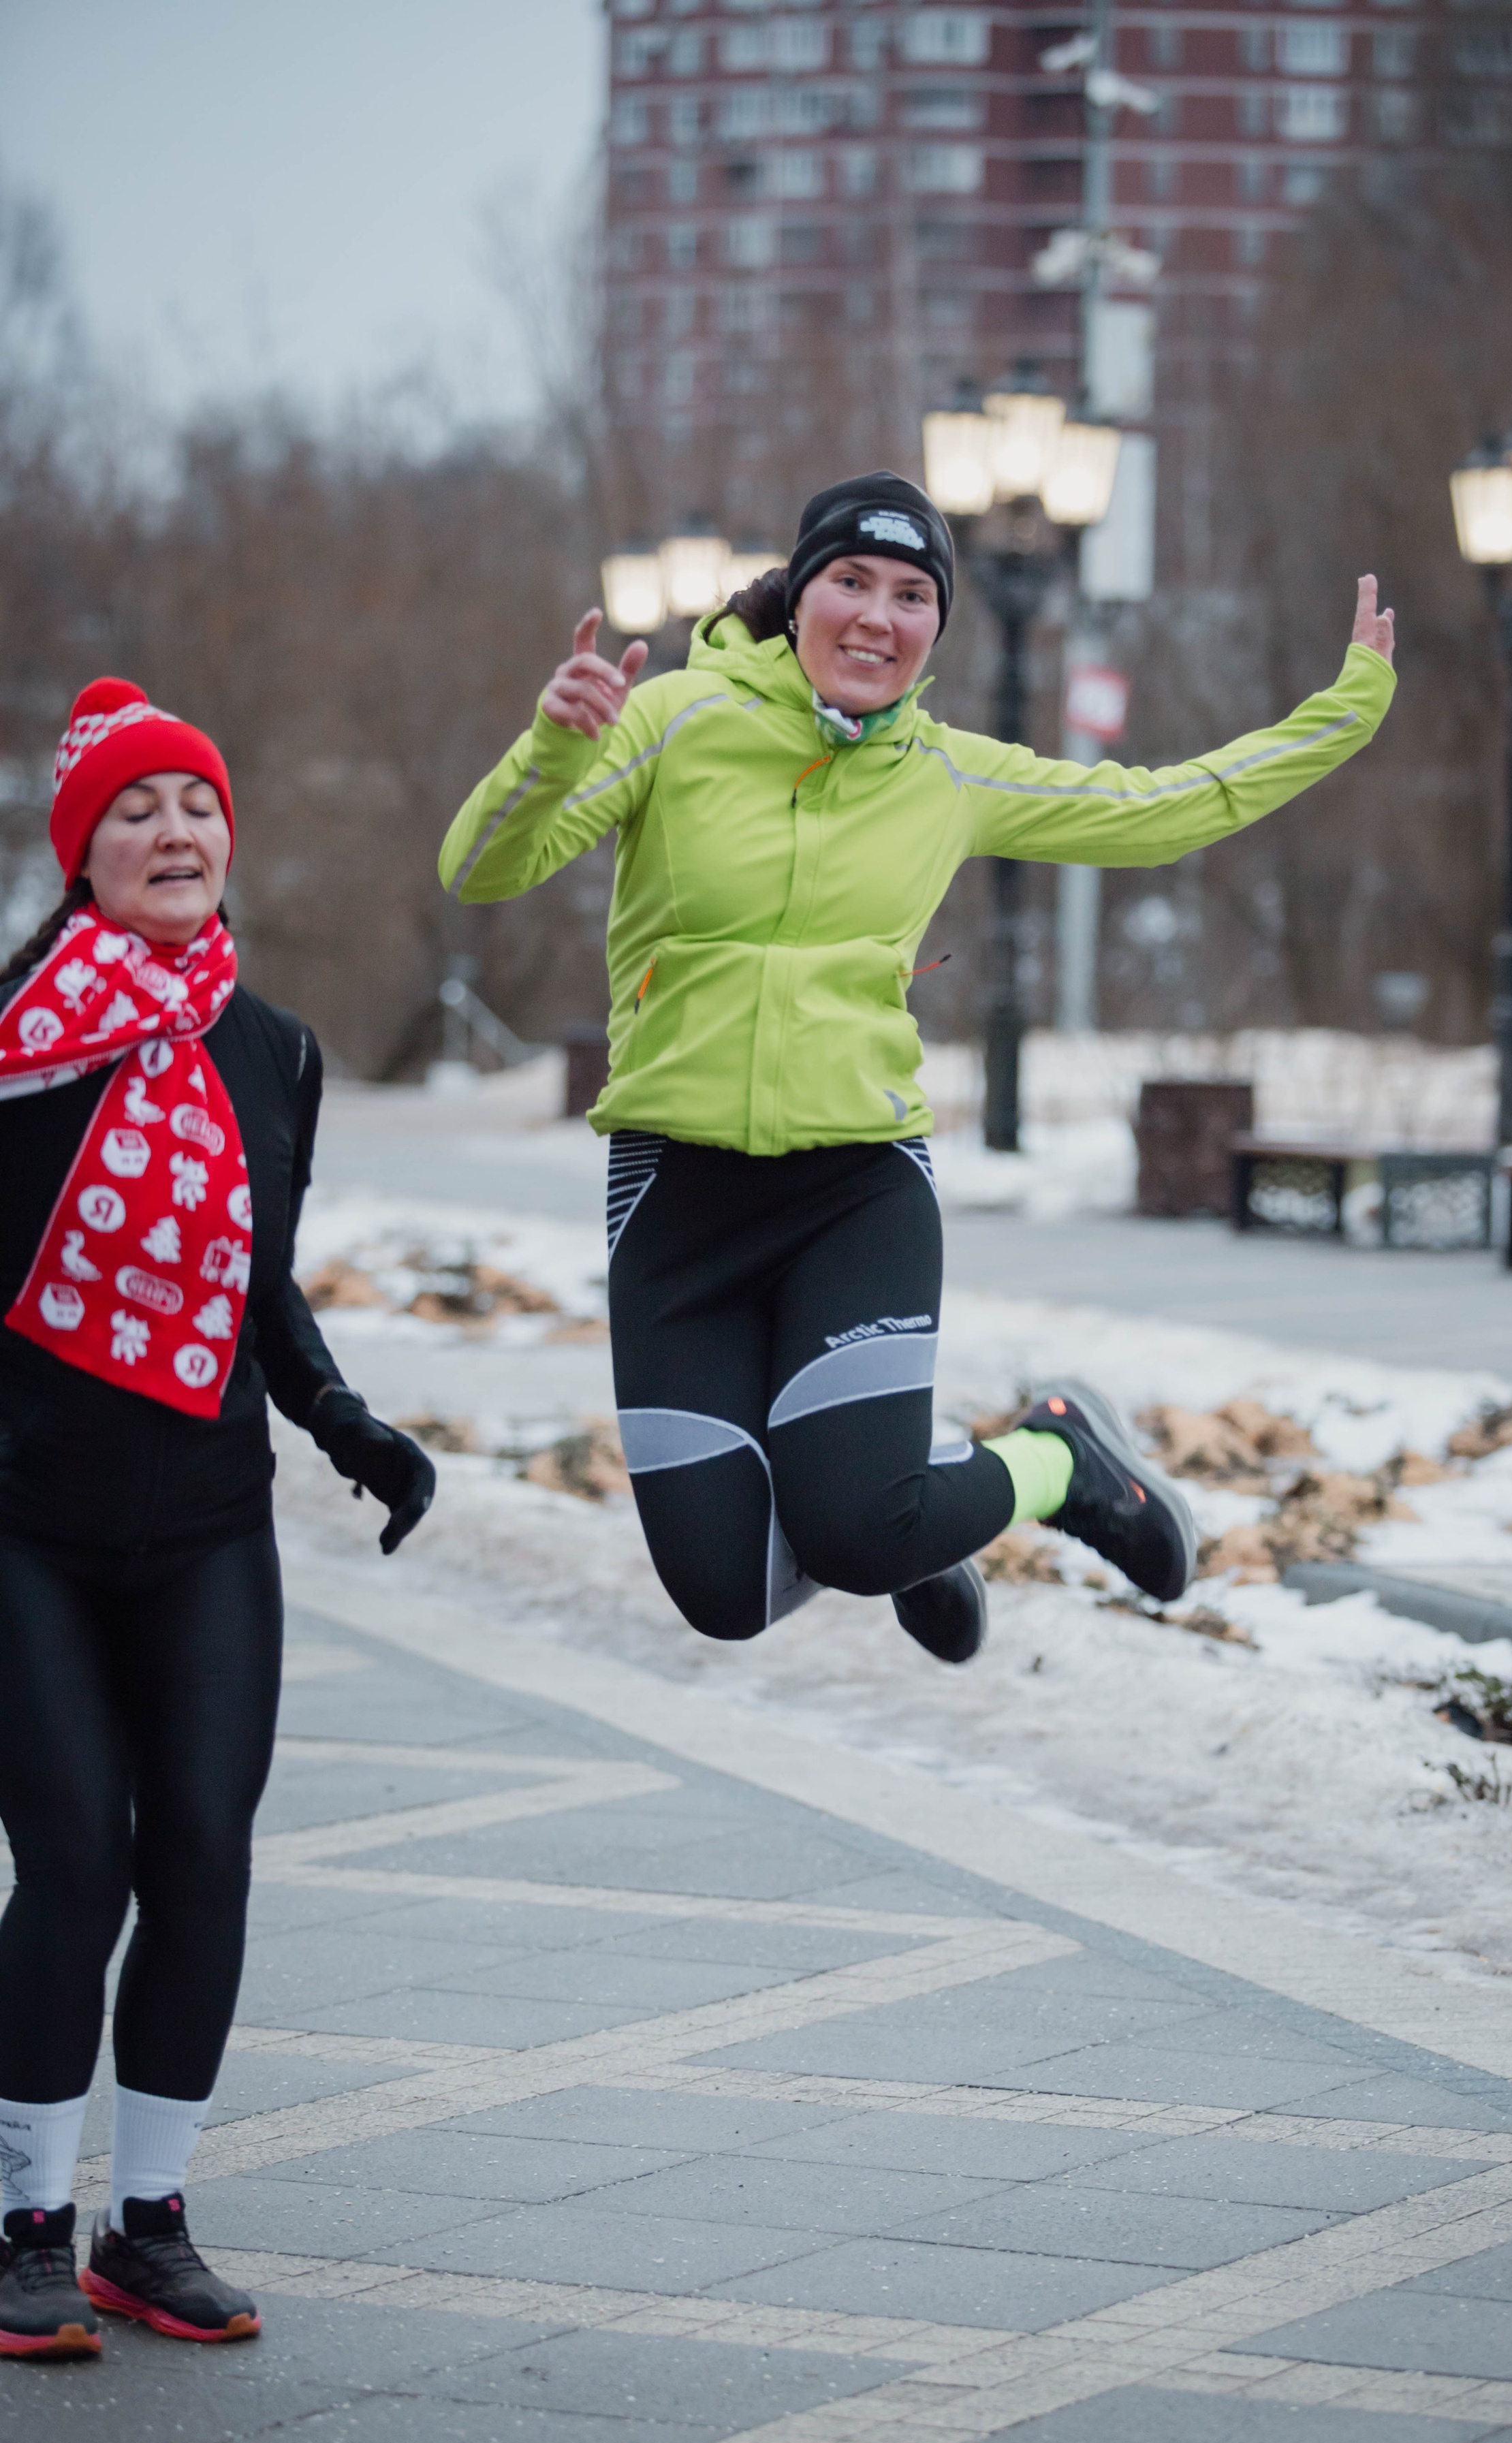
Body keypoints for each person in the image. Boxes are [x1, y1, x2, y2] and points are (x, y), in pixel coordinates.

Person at [441, 471, 1395, 1665]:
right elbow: (481, 868)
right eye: (850, 582)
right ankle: (920, 1520)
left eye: (910, 595)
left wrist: (1345, 711)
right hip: (678, 1206)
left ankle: (1057, 1460)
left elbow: (1164, 809)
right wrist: (550, 747)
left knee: (857, 1524)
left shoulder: (947, 774)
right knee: (728, 1595)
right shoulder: (669, 721)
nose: (877, 618)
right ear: (798, 597)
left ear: (938, 625)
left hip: (856, 1191)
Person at [0, 678, 436, 2361]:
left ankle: (146, 2228)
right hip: (25, 1524)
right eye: (135, 811)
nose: (175, 833)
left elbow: (255, 1286)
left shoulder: (276, 1050)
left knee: (202, 1862)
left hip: (205, 1522)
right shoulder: (16, 1040)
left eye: (195, 805)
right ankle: (27, 2219)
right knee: (73, 1865)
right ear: (83, 853)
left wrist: (341, 1418)